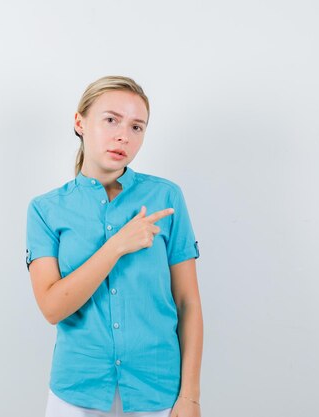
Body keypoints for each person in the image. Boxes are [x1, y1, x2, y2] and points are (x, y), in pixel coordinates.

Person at [25, 75, 203, 417]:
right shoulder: (46, 210)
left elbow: (188, 303)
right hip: (76, 393)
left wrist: (190, 397)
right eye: (111, 120)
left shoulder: (166, 198)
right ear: (80, 122)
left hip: (158, 392)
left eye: (137, 127)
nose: (124, 135)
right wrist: (117, 246)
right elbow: (51, 307)